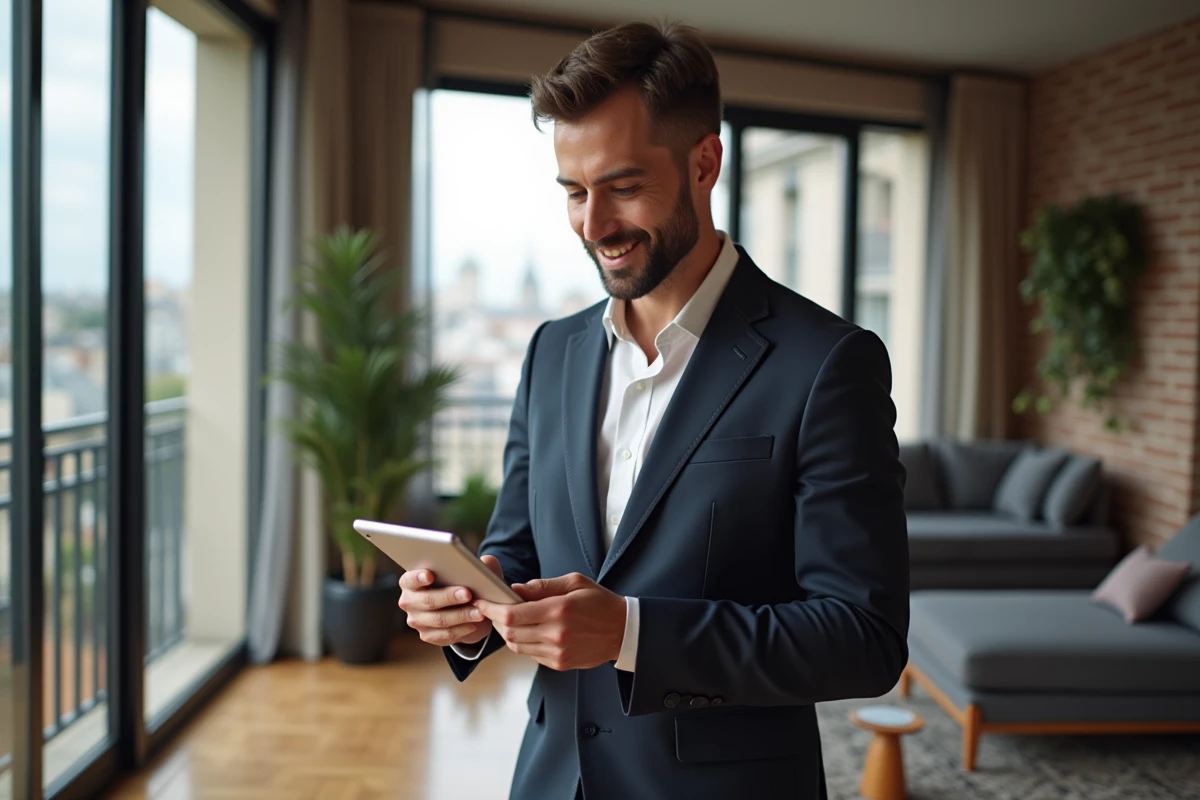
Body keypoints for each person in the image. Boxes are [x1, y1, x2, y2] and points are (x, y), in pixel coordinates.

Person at [398, 19, 909, 800]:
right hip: (551, 780)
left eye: (624, 187)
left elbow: (863, 638)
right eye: (574, 192)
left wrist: (633, 633)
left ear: (705, 163)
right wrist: (475, 602)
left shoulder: (829, 364)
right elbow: (520, 548)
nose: (594, 226)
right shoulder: (551, 351)